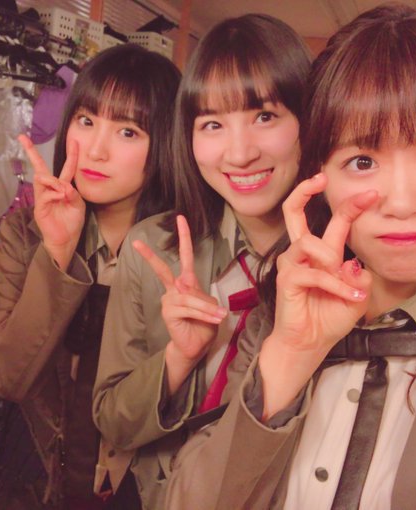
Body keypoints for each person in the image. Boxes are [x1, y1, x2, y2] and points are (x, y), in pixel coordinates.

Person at [165, 4, 416, 509]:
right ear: (320, 174)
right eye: (362, 161)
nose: (401, 203)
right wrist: (290, 357)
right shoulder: (278, 313)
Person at [92, 14, 311, 510]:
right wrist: (179, 358)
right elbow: (112, 422)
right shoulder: (153, 248)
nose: (239, 153)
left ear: (308, 118)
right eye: (212, 124)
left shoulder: (343, 261)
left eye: (265, 116)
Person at [0, 44, 181, 510]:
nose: (95, 150)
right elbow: (4, 378)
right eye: (86, 121)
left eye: (127, 131)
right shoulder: (25, 233)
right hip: (39, 480)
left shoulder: (184, 253)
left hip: (140, 488)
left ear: (166, 143)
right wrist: (57, 254)